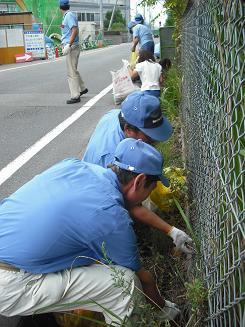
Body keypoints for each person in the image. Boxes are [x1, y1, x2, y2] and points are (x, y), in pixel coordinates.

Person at [0, 139, 180, 324]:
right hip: (10, 284)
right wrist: (163, 310)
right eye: (151, 188)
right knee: (124, 285)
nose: (149, 194)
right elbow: (143, 279)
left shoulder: (74, 166)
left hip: (9, 255)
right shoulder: (110, 216)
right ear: (139, 180)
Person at [83, 91, 193, 255]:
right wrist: (170, 231)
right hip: (93, 203)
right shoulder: (110, 158)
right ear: (128, 129)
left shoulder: (118, 115)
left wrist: (171, 231)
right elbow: (130, 204)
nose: (154, 143)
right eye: (150, 137)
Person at [60, 0, 88, 104]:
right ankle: (82, 88)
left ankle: (75, 96)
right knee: (73, 69)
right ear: (69, 6)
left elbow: (74, 30)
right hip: (72, 46)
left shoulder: (68, 16)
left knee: (71, 72)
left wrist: (68, 45)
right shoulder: (68, 15)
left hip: (72, 47)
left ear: (60, 7)